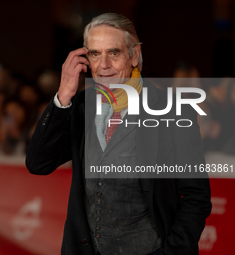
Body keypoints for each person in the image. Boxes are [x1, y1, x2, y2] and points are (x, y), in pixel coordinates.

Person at [26, 13, 211, 255]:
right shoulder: (80, 106)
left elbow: (196, 197)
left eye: (113, 53)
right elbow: (38, 163)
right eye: (95, 54)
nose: (103, 65)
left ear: (134, 55)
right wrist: (62, 96)